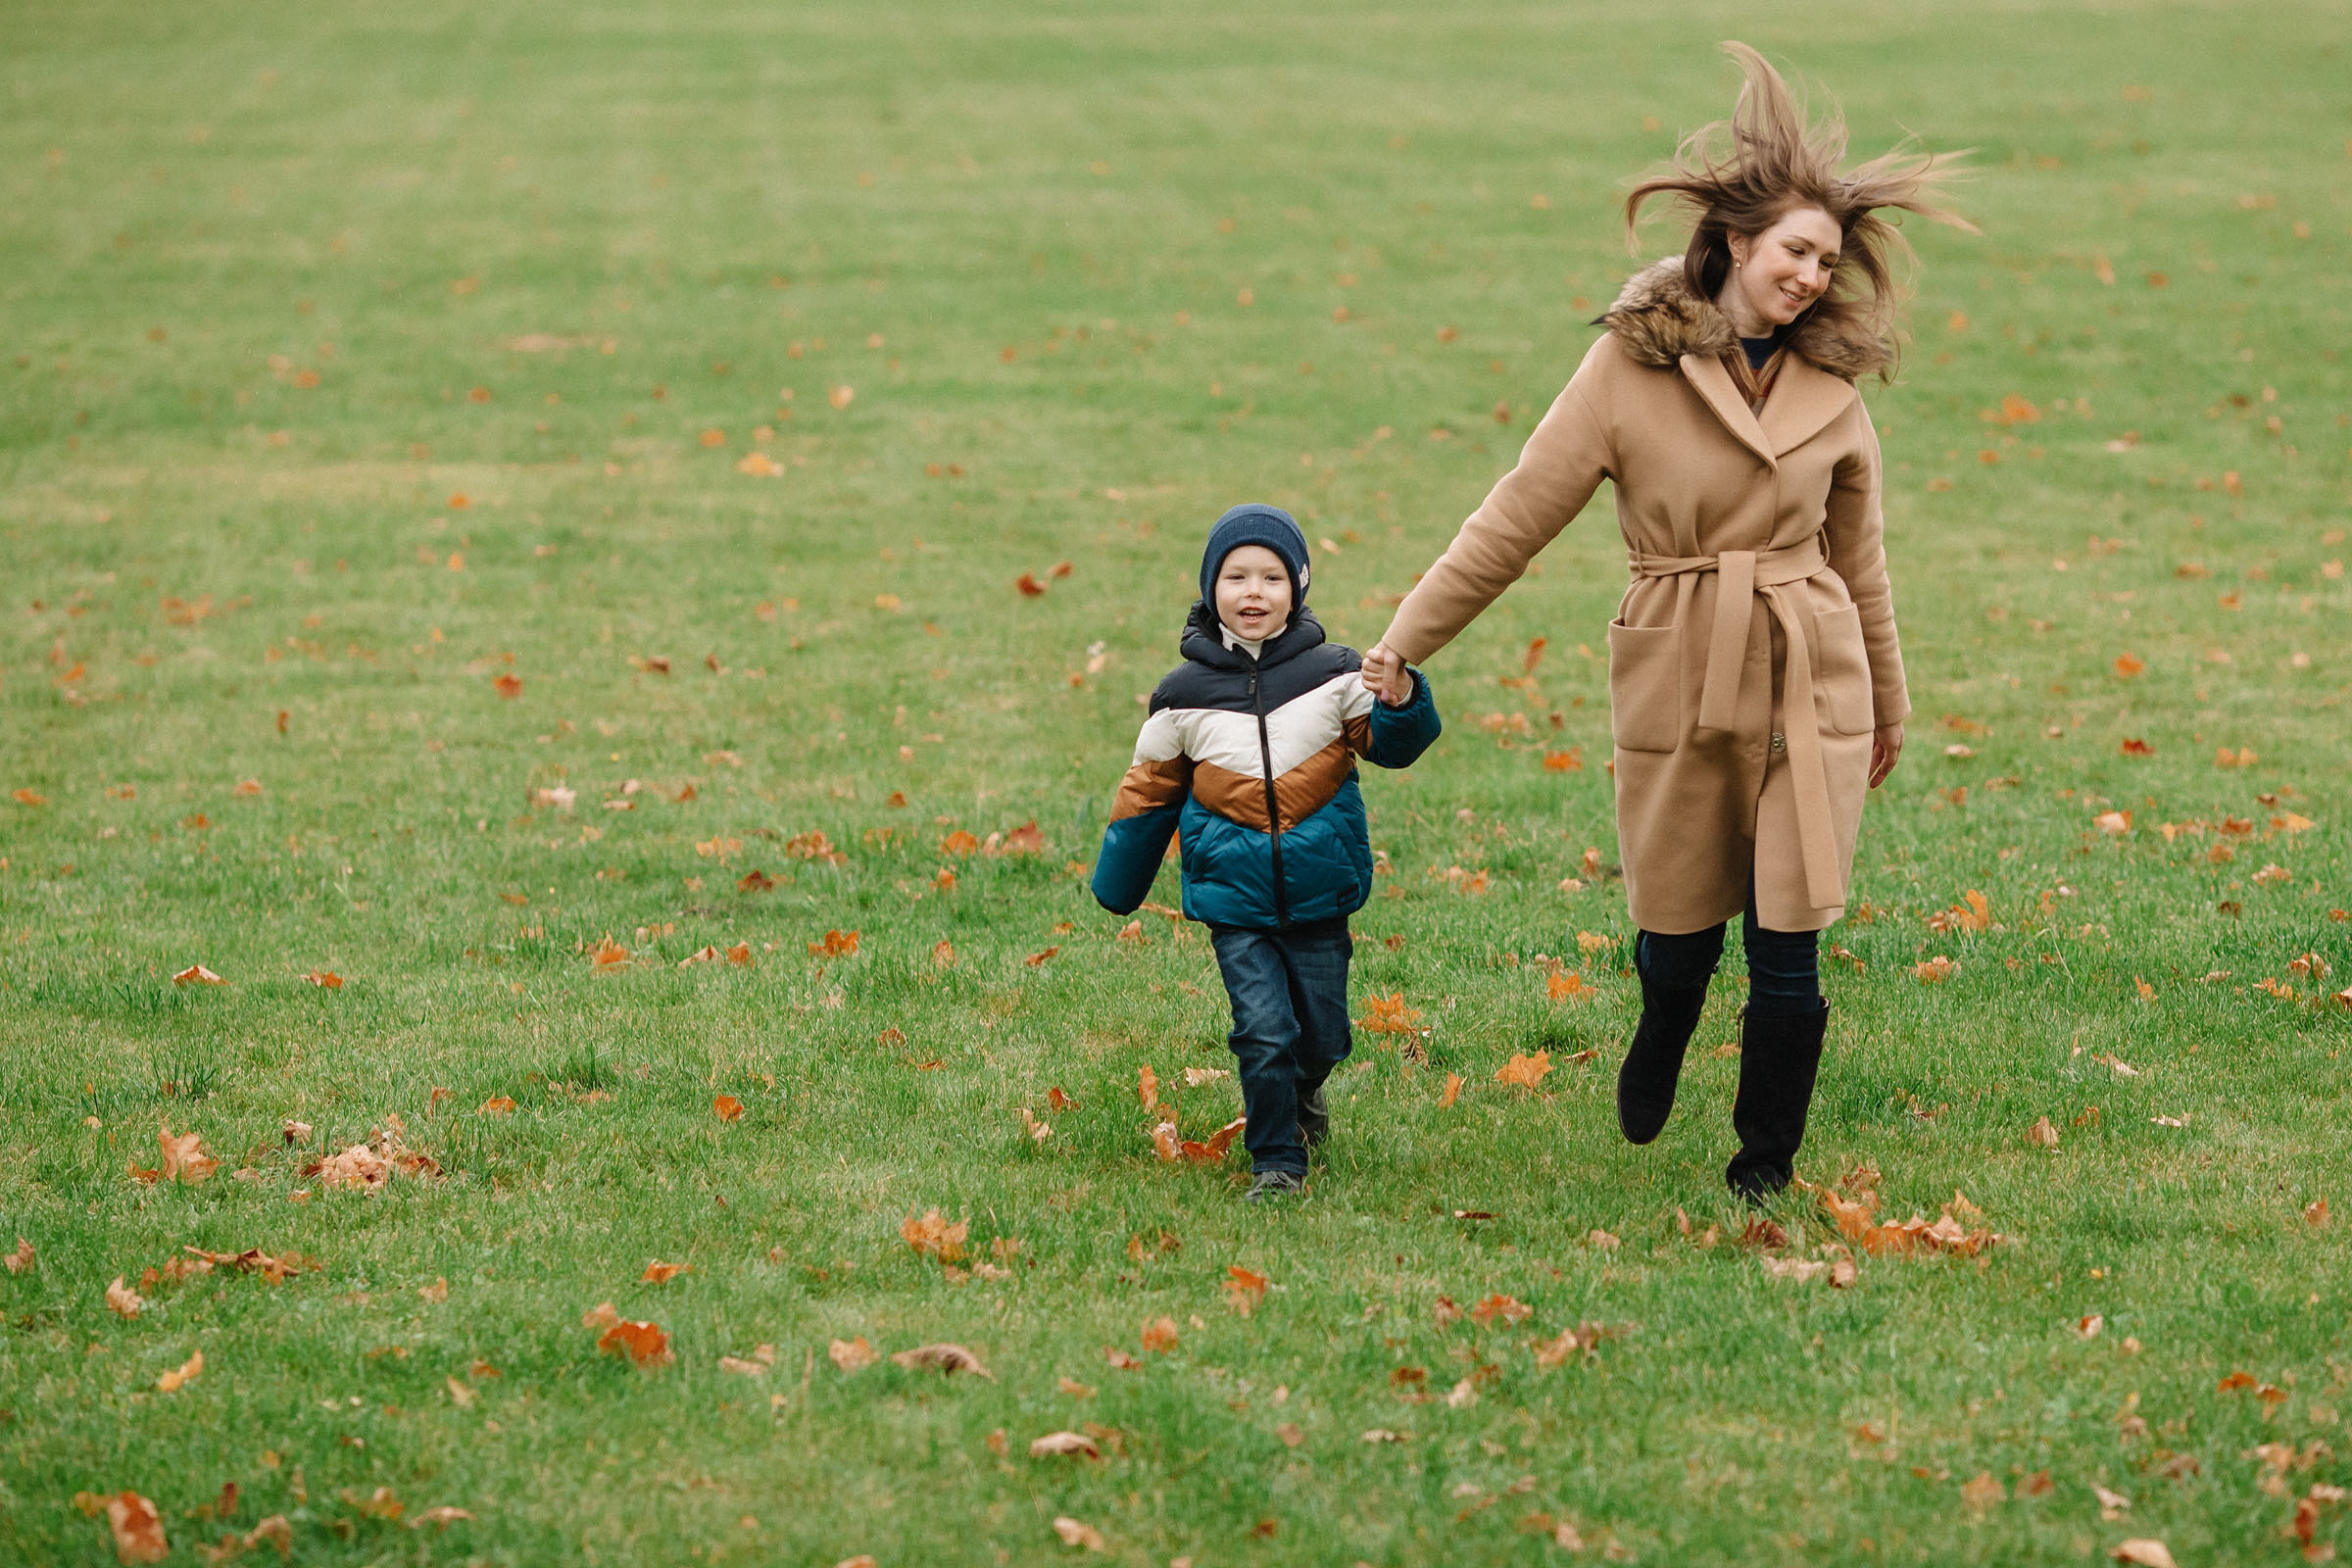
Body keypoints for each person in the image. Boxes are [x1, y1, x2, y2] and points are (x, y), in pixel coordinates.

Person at [1360, 43, 1970, 1200]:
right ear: (1738, 241)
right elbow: (1511, 523)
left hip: (1809, 665)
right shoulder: (1622, 371)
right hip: (1680, 659)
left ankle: (1764, 1166)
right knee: (1682, 926)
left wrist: (1889, 700)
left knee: (1790, 936)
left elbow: (1865, 565)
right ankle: (1660, 1034)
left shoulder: (1836, 395)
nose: (1808, 275)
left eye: (1827, 261)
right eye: (1795, 250)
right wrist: (1401, 642)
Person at [1094, 504, 1442, 1201]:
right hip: (1236, 900)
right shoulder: (1181, 698)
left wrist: (1402, 697)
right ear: (1210, 587)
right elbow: (1147, 794)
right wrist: (1118, 885)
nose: (1254, 592)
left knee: (1323, 1037)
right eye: (1236, 577)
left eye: (1272, 577)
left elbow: (1396, 748)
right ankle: (1276, 1160)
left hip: (1321, 892)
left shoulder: (1337, 674)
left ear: (1298, 587)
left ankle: (1304, 1091)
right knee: (1263, 1030)